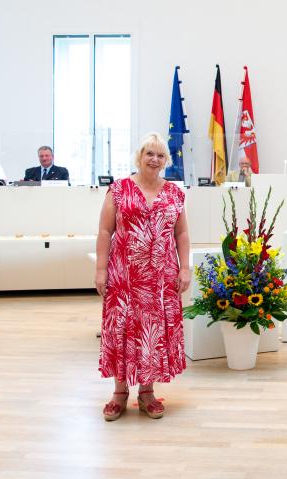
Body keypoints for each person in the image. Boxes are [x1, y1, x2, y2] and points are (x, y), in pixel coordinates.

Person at [95, 133, 191, 421]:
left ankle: (147, 392)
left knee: (152, 334)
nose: (154, 159)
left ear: (166, 160)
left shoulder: (174, 193)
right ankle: (119, 392)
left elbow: (182, 233)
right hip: (123, 276)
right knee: (122, 330)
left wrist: (185, 267)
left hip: (161, 278)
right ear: (140, 156)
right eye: (150, 153)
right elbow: (104, 231)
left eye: (160, 155)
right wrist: (100, 270)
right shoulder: (119, 190)